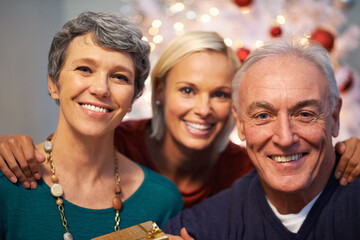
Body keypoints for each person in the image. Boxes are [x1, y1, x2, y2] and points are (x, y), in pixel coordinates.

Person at [0, 31, 360, 209]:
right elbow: (54, 159)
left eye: (219, 95)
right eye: (187, 90)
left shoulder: (249, 167)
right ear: (158, 92)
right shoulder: (115, 139)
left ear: (236, 107)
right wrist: (12, 147)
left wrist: (344, 153)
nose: (203, 109)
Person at [0, 11, 183, 240]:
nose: (101, 89)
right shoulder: (6, 184)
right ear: (53, 84)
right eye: (84, 69)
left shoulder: (163, 200)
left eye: (120, 77)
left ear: (132, 101)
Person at [162, 36, 360, 239]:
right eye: (263, 116)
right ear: (240, 124)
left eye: (304, 114)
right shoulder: (197, 228)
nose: (285, 138)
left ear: (334, 118)